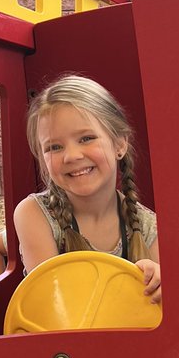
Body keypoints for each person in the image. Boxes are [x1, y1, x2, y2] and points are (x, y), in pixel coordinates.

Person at [14, 75, 161, 300]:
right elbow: (53, 305)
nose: (71, 156)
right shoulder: (35, 214)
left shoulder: (149, 227)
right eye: (54, 146)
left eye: (86, 138)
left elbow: (156, 317)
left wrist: (158, 285)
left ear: (119, 144)